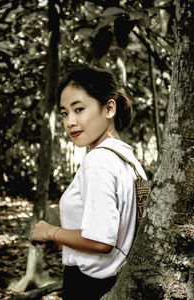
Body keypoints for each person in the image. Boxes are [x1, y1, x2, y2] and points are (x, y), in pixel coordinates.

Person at [30, 67, 147, 300]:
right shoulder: (129, 159)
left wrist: (50, 231)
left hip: (89, 287)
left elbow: (102, 241)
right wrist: (65, 242)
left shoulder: (98, 161)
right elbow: (117, 232)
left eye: (79, 109)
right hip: (118, 283)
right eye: (64, 113)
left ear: (109, 108)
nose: (70, 122)